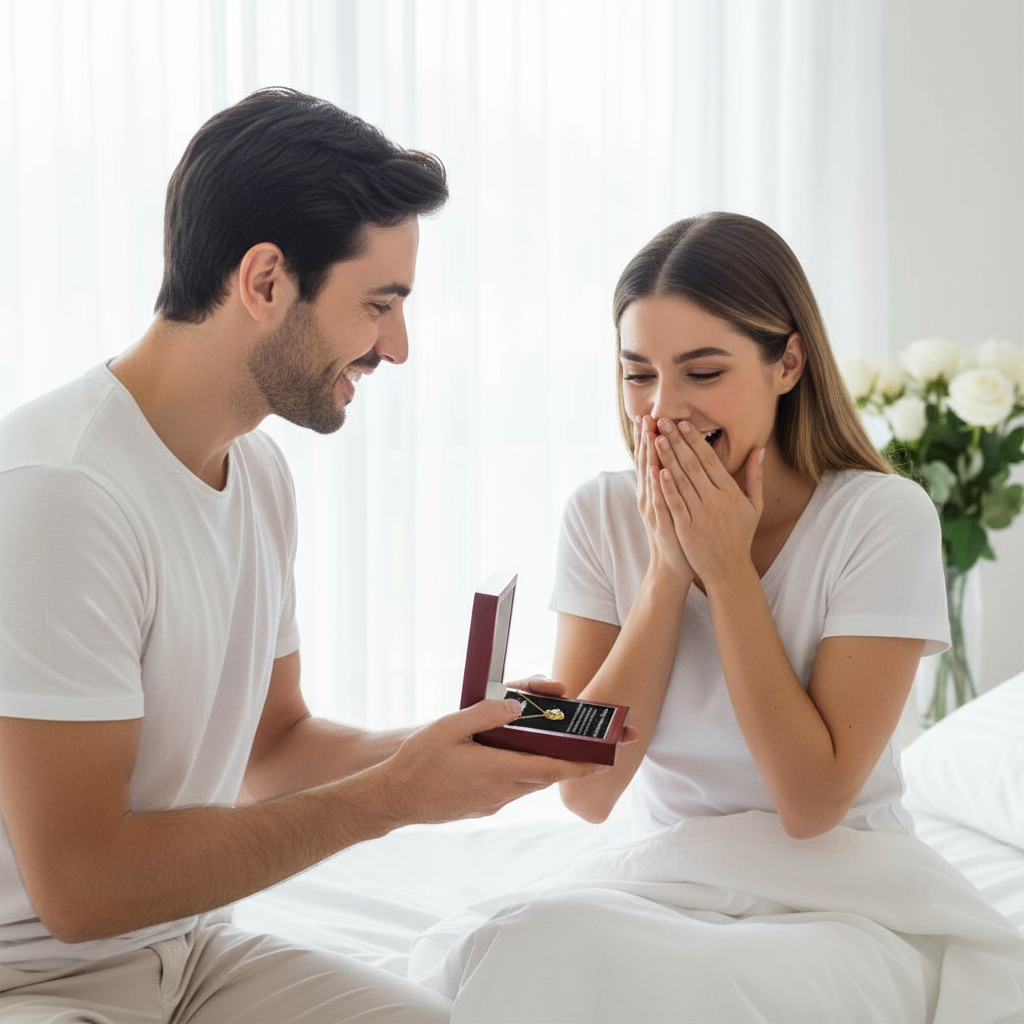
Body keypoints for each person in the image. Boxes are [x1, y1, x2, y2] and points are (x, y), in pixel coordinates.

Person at [0, 87, 604, 1023]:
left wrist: (461, 744)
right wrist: (391, 800)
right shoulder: (60, 494)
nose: (396, 348)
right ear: (266, 280)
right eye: (379, 305)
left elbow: (273, 750)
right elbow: (80, 890)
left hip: (187, 951)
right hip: (33, 982)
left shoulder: (260, 472)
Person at [417, 213, 1022, 1023]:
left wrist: (729, 575)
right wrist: (668, 573)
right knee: (534, 943)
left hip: (841, 898)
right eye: (639, 375)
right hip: (664, 880)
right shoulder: (601, 513)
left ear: (788, 362)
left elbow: (811, 805)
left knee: (687, 988)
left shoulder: (882, 517)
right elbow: (590, 798)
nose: (663, 410)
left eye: (703, 373)